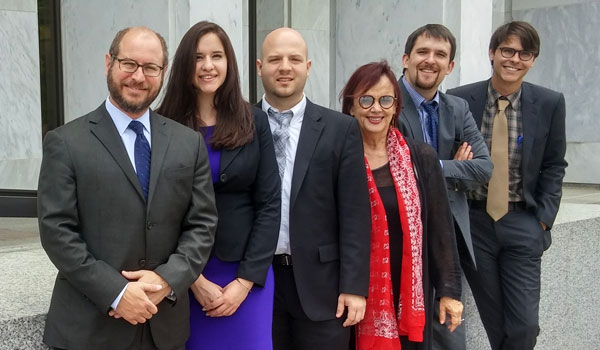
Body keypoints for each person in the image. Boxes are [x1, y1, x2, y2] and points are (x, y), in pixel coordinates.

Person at [37, 26, 218, 350]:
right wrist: (116, 292)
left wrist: (167, 280)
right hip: (89, 331)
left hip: (165, 330)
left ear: (163, 73)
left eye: (151, 68)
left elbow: (202, 224)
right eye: (129, 64)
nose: (138, 77)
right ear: (109, 63)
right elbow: (57, 231)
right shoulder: (65, 142)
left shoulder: (188, 143)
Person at [156, 21, 281, 350]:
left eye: (217, 56)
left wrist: (244, 282)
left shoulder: (254, 120)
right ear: (185, 64)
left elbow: (269, 204)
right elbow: (156, 209)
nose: (208, 66)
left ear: (229, 63)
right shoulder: (162, 125)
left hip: (247, 273)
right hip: (185, 274)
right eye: (198, 57)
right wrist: (192, 280)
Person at [447, 21, 567, 350]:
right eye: (507, 51)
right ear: (492, 53)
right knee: (496, 324)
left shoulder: (550, 102)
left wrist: (542, 219)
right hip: (474, 225)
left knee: (525, 327)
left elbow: (555, 164)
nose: (514, 59)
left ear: (533, 59)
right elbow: (440, 158)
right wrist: (457, 164)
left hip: (522, 222)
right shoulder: (459, 100)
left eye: (524, 53)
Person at [256, 27, 371, 350]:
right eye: (275, 59)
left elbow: (355, 213)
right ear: (259, 66)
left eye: (294, 59)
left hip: (324, 286)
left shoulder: (340, 129)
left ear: (307, 66)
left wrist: (354, 286)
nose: (284, 67)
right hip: (255, 282)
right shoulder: (240, 125)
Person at [341, 61, 463, 350]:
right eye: (366, 99)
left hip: (408, 293)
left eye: (385, 100)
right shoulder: (338, 158)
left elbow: (440, 229)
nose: (376, 109)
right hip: (353, 294)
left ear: (396, 106)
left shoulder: (420, 157)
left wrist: (449, 292)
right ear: (351, 107)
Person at [397, 24, 493, 350]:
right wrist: (454, 166)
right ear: (406, 59)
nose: (430, 60)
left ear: (450, 66)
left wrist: (433, 166)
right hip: (400, 235)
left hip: (447, 234)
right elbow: (397, 169)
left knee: (449, 332)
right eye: (423, 52)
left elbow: (483, 168)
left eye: (440, 55)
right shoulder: (387, 103)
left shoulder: (458, 108)